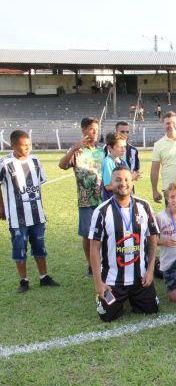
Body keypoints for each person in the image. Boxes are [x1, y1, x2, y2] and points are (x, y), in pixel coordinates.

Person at [89, 166, 159, 322]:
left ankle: (134, 297)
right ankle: (108, 297)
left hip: (140, 278)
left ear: (132, 182)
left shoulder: (144, 206)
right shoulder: (101, 212)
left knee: (152, 310)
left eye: (127, 179)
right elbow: (94, 249)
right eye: (118, 180)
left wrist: (150, 270)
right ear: (111, 183)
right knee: (107, 316)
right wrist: (98, 283)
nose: (123, 183)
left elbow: (152, 238)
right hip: (113, 281)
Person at [0, 130, 60, 293]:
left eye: (29, 145)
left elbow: (39, 183)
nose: (28, 148)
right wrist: (2, 206)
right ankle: (23, 281)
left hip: (37, 214)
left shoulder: (35, 160)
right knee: (19, 247)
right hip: (17, 216)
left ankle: (44, 277)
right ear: (13, 146)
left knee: (40, 245)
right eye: (23, 145)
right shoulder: (5, 162)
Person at [58, 117, 104, 276]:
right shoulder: (76, 150)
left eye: (97, 130)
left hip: (103, 199)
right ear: (83, 130)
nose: (95, 133)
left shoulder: (101, 150)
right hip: (86, 200)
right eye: (92, 129)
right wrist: (73, 149)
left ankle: (103, 262)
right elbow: (62, 165)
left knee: (105, 232)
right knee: (87, 234)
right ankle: (91, 265)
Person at [100, 132, 127, 201]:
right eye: (120, 147)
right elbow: (108, 186)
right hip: (112, 202)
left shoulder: (123, 161)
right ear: (110, 148)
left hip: (123, 200)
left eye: (124, 146)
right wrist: (130, 179)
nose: (123, 149)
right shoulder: (108, 162)